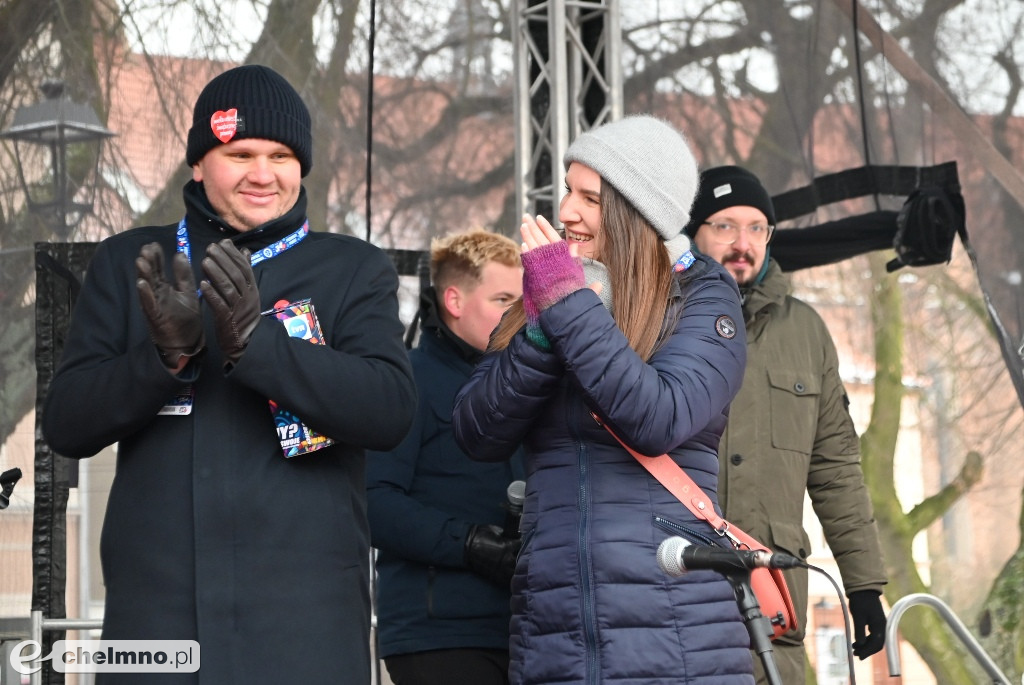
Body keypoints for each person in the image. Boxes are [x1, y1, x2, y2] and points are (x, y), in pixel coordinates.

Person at [41, 64, 416, 684]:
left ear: (303, 167)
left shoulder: (351, 269)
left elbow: (389, 411)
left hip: (303, 626)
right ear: (197, 164)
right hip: (156, 624)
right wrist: (161, 360)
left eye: (281, 155)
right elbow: (68, 424)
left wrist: (259, 346)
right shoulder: (132, 262)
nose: (263, 174)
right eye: (239, 153)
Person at [452, 115, 754, 684]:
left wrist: (567, 306)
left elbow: (657, 418)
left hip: (675, 628)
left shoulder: (704, 296)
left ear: (637, 212)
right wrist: (540, 333)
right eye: (568, 188)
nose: (565, 210)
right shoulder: (554, 292)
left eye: (589, 197)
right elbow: (475, 430)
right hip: (554, 628)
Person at [685, 165, 888, 683]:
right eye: (725, 226)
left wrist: (864, 586)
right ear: (694, 232)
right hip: (675, 598)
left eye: (756, 228)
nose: (742, 243)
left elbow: (836, 468)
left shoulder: (807, 331)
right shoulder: (658, 316)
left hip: (773, 605)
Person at [366, 228, 526, 685]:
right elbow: (373, 500)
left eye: (524, 302)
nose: (519, 315)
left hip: (526, 630)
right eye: (503, 300)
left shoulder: (528, 385)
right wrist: (469, 544)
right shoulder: (408, 382)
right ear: (454, 301)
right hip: (437, 634)